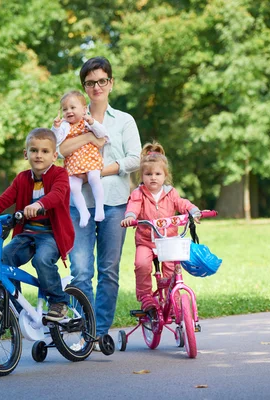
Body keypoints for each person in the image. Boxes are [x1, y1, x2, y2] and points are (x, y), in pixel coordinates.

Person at [59, 56, 141, 342]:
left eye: (101, 81)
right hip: (79, 202)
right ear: (84, 87)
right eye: (90, 82)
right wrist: (91, 139)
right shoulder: (71, 115)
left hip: (115, 202)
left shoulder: (124, 121)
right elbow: (60, 149)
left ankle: (99, 332)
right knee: (81, 271)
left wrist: (100, 169)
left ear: (111, 83)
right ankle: (85, 330)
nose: (97, 87)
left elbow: (135, 158)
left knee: (108, 270)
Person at [0, 128, 75, 321]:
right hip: (27, 234)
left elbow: (57, 195)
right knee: (5, 256)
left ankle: (59, 301)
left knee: (41, 260)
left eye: (44, 151)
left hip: (51, 234)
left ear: (54, 155)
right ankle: (13, 307)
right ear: (26, 154)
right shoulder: (22, 179)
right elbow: (2, 200)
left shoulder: (60, 175)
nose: (38, 155)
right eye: (34, 150)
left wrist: (39, 204)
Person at [120, 142, 201, 311]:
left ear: (165, 176)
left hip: (169, 241)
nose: (153, 177)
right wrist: (130, 216)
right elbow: (133, 206)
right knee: (141, 264)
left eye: (158, 174)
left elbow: (181, 203)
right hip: (146, 242)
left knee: (172, 269)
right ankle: (146, 297)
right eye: (148, 174)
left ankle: (174, 301)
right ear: (142, 176)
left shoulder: (171, 193)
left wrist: (193, 210)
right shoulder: (138, 194)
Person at [52, 90, 110, 228]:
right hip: (73, 162)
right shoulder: (64, 126)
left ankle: (99, 208)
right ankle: (84, 212)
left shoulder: (87, 121)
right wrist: (55, 127)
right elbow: (56, 141)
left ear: (84, 109)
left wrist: (92, 122)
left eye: (73, 108)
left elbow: (102, 134)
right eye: (65, 109)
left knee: (94, 178)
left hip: (90, 158)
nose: (69, 111)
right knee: (72, 187)